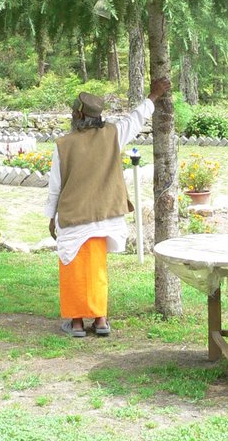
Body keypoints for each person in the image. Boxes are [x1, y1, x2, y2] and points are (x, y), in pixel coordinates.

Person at [45, 77, 169, 338]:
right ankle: (100, 320)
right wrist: (154, 95)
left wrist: (50, 217)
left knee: (73, 266)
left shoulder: (63, 145)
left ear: (78, 115)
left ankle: (77, 323)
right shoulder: (114, 134)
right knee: (97, 267)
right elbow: (136, 118)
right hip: (105, 216)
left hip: (73, 216)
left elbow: (55, 187)